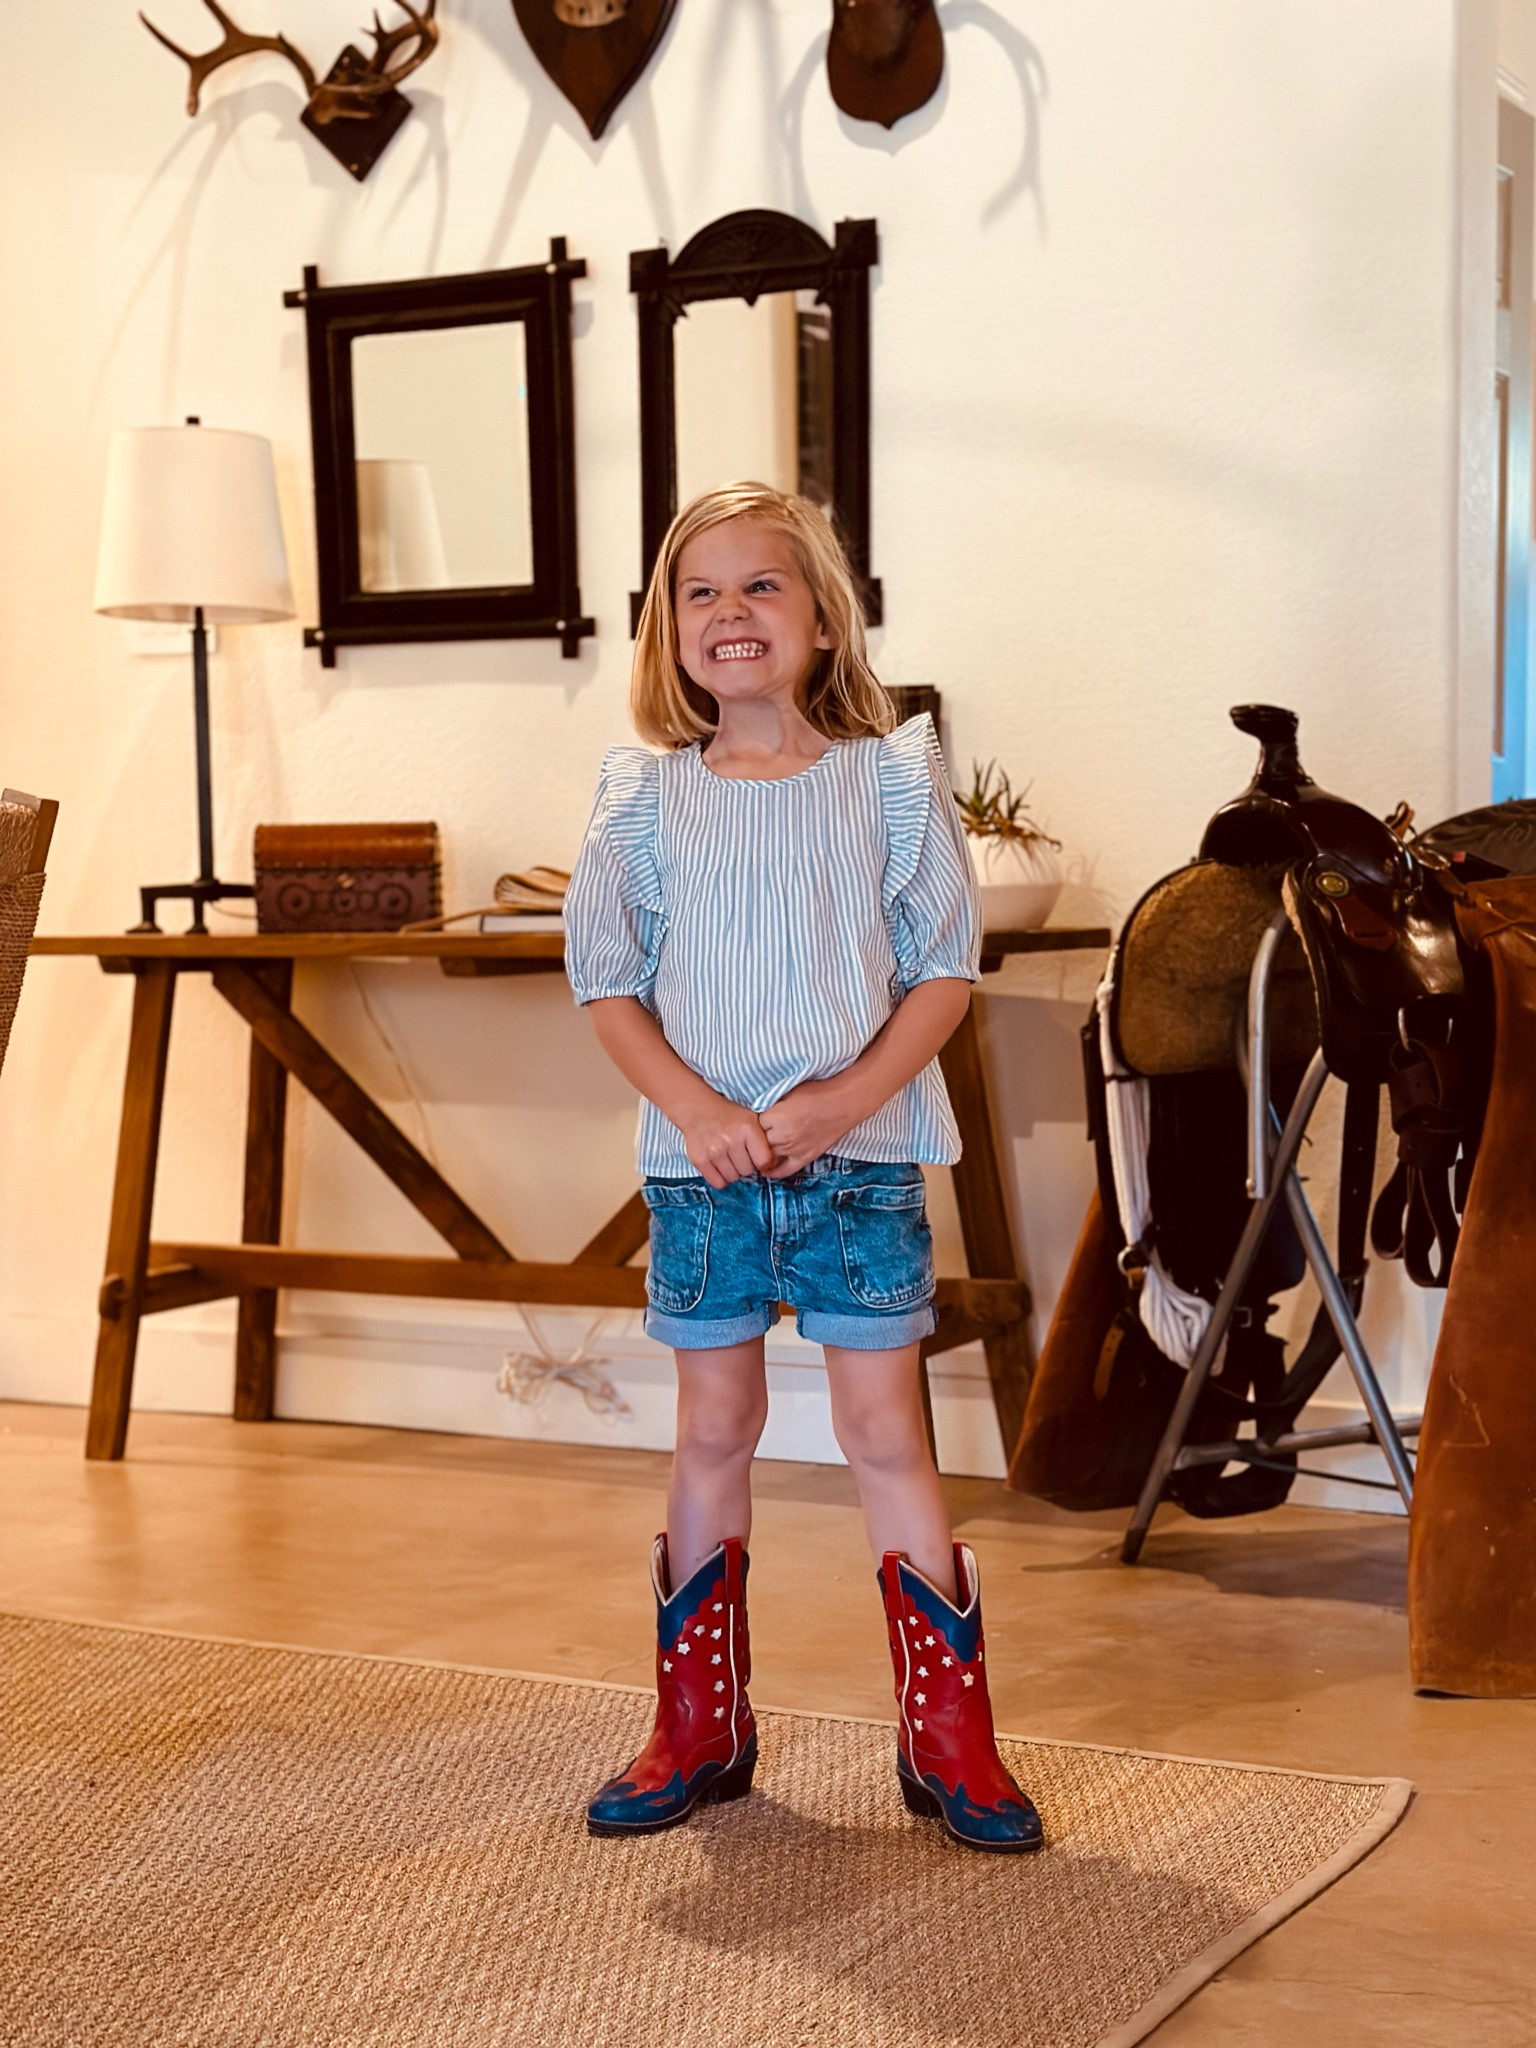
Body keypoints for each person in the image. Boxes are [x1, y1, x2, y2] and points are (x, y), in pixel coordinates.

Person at [564, 482, 1041, 1854]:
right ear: (667, 630)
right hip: (701, 1179)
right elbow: (608, 988)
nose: (731, 614)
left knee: (888, 1434)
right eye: (700, 592)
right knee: (713, 1432)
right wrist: (703, 1112)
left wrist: (839, 1104)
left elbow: (944, 974)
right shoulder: (640, 800)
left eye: (762, 587)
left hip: (859, 1169)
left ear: (825, 621)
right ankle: (698, 1725)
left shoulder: (890, 784)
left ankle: (952, 1743)